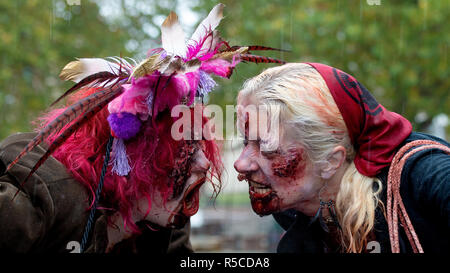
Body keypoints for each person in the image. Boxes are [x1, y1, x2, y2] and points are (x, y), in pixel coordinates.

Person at [0, 4, 284, 253]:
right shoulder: (42, 196)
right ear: (136, 160)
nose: (205, 162)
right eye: (187, 148)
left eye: (200, 146)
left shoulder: (161, 222)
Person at [234, 62, 450, 253]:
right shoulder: (292, 208)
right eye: (245, 142)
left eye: (267, 147)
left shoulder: (425, 176)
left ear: (331, 161)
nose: (240, 164)